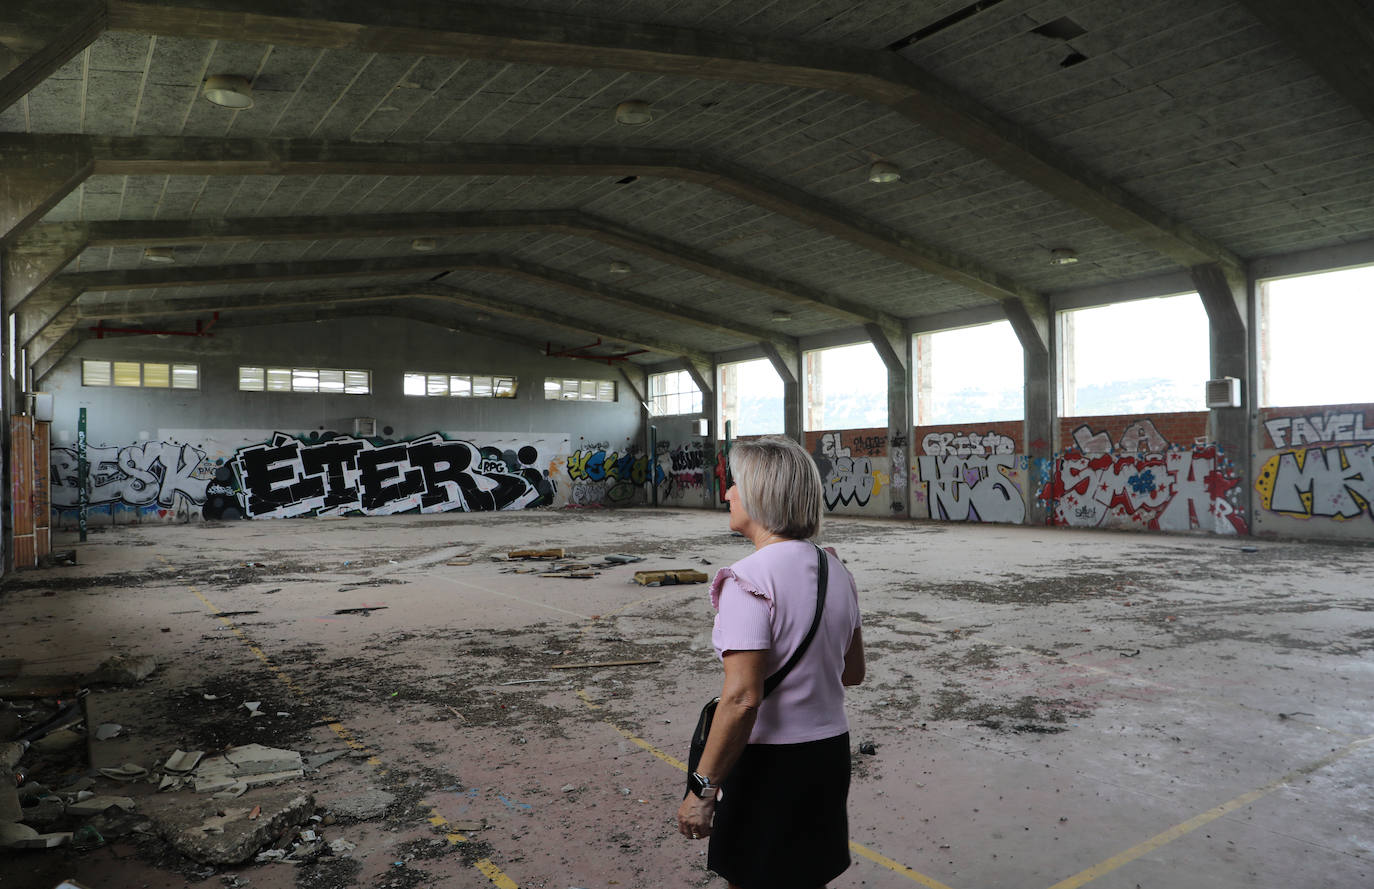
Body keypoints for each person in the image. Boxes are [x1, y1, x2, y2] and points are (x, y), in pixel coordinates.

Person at [676, 435, 865, 889]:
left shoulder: (747, 581)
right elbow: (852, 672)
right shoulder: (837, 571)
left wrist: (703, 791)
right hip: (826, 755)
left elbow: (742, 699)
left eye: (735, 483)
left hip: (768, 765)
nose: (727, 493)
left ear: (762, 494)